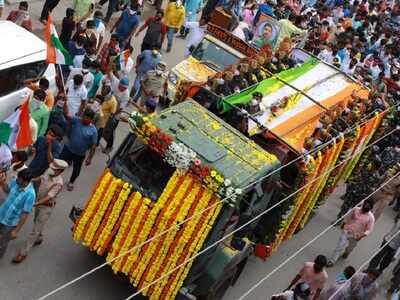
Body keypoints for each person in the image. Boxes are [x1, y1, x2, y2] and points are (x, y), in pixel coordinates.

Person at [13, 159, 67, 263]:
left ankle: (23, 253)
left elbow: (48, 197)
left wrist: (35, 204)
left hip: (46, 206)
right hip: (38, 201)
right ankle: (40, 237)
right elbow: (41, 178)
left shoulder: (59, 183)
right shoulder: (49, 171)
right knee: (36, 222)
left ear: (60, 171)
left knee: (35, 230)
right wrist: (31, 179)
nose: (52, 170)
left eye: (55, 169)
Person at [328, 199, 375, 267]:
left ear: (371, 207)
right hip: (347, 231)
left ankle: (347, 252)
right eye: (365, 205)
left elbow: (369, 230)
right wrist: (344, 224)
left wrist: (361, 236)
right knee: (339, 246)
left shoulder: (371, 218)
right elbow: (348, 217)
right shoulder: (355, 209)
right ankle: (332, 261)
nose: (366, 207)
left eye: (368, 206)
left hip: (356, 236)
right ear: (363, 204)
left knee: (350, 248)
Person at [60, 106, 97, 191]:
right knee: (60, 163)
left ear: (91, 119)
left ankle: (71, 182)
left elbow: (93, 146)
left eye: (87, 118)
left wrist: (89, 158)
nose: (84, 118)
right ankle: (55, 177)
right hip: (68, 148)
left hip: (79, 154)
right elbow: (66, 116)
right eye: (84, 116)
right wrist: (65, 103)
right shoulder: (77, 120)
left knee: (76, 170)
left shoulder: (93, 131)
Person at [0, 169, 35, 259]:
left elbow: (25, 214)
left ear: (25, 181)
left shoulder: (31, 194)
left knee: (3, 242)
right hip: (1, 214)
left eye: (19, 178)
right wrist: (2, 182)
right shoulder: (15, 182)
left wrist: (16, 231)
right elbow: (7, 190)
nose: (16, 179)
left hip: (10, 223)